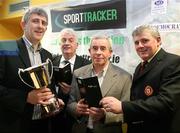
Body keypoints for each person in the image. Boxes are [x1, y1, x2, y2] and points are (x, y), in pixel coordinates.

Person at [100, 25, 180, 133]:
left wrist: (122, 106)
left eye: (145, 41)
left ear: (158, 40)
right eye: (136, 42)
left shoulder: (173, 62)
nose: (140, 46)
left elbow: (166, 103)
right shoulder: (140, 66)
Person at [0, 7, 64, 133]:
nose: (40, 26)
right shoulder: (6, 47)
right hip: (14, 124)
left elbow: (49, 87)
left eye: (44, 23)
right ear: (23, 24)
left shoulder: (47, 55)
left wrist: (54, 99)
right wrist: (26, 98)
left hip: (43, 123)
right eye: (35, 21)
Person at [67, 35, 132, 133]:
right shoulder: (78, 73)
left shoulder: (125, 77)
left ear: (110, 53)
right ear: (89, 51)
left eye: (103, 48)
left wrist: (105, 115)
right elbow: (70, 103)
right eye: (95, 48)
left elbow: (127, 112)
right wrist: (76, 108)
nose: (98, 52)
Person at [51, 28, 91, 133]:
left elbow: (88, 93)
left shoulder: (87, 64)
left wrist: (71, 92)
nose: (67, 43)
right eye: (63, 40)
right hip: (54, 117)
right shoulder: (51, 62)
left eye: (71, 40)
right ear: (59, 43)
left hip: (76, 120)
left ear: (77, 45)